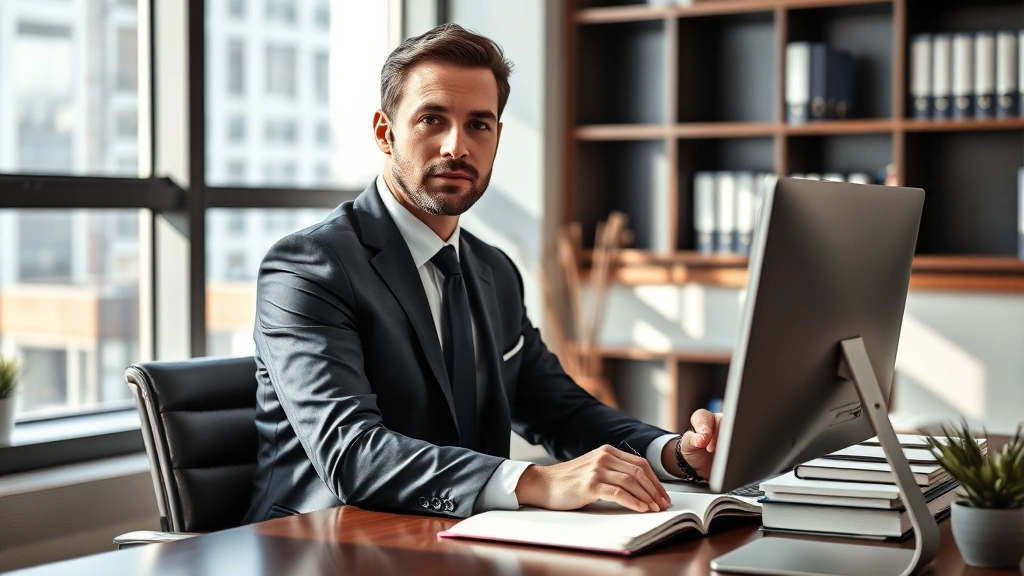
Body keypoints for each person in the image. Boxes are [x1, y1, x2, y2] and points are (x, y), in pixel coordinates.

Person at [243, 24, 721, 524]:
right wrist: (536, 479)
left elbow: (559, 410)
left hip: (456, 537)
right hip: (319, 543)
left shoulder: (492, 269)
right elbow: (352, 454)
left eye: (479, 124)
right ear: (385, 133)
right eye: (432, 119)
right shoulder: (308, 267)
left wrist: (674, 454)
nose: (457, 146)